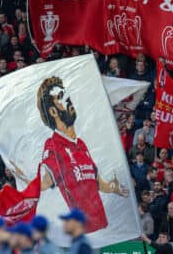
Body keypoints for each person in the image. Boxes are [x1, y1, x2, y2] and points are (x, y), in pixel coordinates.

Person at [36, 77, 129, 233]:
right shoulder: (53, 145)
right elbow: (46, 182)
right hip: (85, 233)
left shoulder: (82, 144)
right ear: (53, 111)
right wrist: (23, 184)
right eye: (61, 98)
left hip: (105, 228)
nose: (68, 101)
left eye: (67, 95)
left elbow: (99, 184)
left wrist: (115, 187)